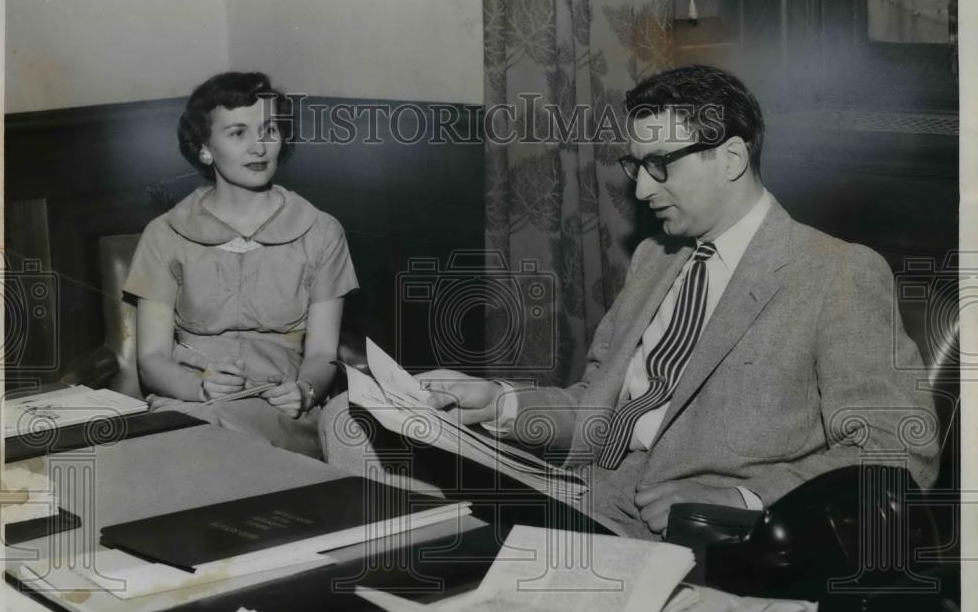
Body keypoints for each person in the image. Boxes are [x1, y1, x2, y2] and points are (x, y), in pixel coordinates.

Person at [321, 65, 939, 537]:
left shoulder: (837, 273)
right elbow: (597, 415)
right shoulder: (655, 261)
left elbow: (896, 448)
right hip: (576, 491)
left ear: (731, 157)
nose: (641, 189)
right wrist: (500, 406)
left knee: (413, 519)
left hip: (675, 530)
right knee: (351, 420)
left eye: (659, 166)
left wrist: (753, 500)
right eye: (635, 165)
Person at [124, 71, 358, 456]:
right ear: (204, 148)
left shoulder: (321, 231)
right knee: (187, 443)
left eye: (268, 129)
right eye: (238, 133)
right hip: (192, 403)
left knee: (214, 448)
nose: (259, 147)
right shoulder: (165, 234)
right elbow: (152, 358)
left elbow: (321, 354)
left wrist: (304, 390)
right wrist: (198, 388)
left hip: (280, 409)